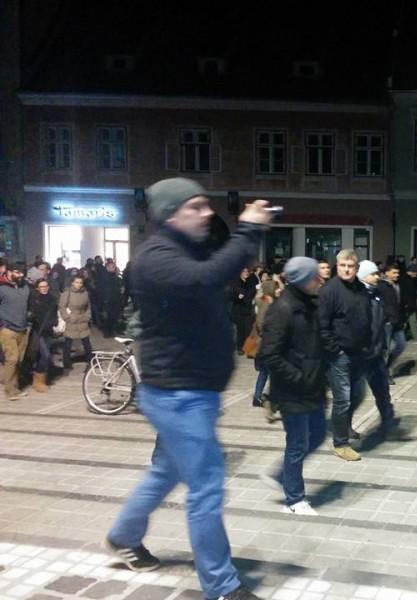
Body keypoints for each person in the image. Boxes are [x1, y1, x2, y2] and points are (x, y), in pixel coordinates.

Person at [105, 177, 272, 600]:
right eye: (196, 207)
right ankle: (221, 586)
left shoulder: (180, 250)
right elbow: (206, 278)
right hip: (179, 394)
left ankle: (123, 535)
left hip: (188, 391)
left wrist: (239, 227)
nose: (206, 213)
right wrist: (248, 229)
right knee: (207, 485)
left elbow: (214, 260)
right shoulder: (156, 258)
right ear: (170, 214)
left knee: (165, 472)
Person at [258, 257, 326, 516]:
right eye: (315, 276)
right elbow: (268, 354)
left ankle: (279, 475)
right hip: (292, 390)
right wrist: (298, 377)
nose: (320, 280)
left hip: (313, 386)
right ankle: (295, 500)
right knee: (297, 443)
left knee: (318, 434)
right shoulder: (283, 309)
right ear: (302, 280)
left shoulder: (310, 304)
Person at [318, 249, 372, 462]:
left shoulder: (360, 288)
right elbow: (322, 325)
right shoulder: (330, 290)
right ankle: (340, 444)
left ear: (356, 268)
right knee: (343, 399)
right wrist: (335, 349)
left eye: (351, 266)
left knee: (358, 395)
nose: (347, 269)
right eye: (343, 265)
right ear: (337, 266)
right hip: (339, 355)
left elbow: (365, 317)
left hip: (359, 352)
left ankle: (342, 425)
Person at [357, 261, 400, 434]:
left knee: (382, 389)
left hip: (375, 351)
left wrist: (381, 343)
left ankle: (387, 420)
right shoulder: (358, 294)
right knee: (353, 395)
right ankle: (343, 427)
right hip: (360, 353)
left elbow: (378, 321)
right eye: (373, 274)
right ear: (363, 276)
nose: (377, 276)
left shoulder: (376, 293)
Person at [0, 262, 31, 400]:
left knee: (18, 360)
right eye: (18, 272)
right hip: (7, 329)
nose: (21, 275)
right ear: (9, 271)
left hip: (23, 328)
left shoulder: (25, 286)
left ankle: (15, 387)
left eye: (22, 272)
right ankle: (10, 391)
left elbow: (30, 304)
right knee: (12, 359)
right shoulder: (2, 288)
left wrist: (29, 321)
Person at [252, 272, 278, 415]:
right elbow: (261, 323)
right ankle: (270, 400)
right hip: (267, 343)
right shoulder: (267, 304)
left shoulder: (262, 301)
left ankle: (258, 397)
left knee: (264, 372)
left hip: (264, 344)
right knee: (270, 372)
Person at [28, 278, 59, 392]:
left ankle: (40, 381)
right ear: (37, 288)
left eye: (46, 286)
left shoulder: (52, 299)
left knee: (43, 355)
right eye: (42, 286)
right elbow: (31, 314)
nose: (44, 288)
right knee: (46, 355)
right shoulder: (34, 300)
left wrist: (55, 321)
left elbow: (54, 313)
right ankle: (38, 379)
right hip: (38, 331)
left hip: (48, 331)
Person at [378, 264, 407, 383]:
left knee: (401, 345)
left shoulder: (396, 285)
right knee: (385, 349)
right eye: (394, 273)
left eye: (398, 273)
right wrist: (386, 319)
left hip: (397, 321)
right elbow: (380, 305)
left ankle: (385, 368)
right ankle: (384, 374)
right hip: (387, 323)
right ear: (387, 273)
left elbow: (398, 304)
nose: (397, 275)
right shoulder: (382, 286)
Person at [59, 275, 93, 373]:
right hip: (72, 320)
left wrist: (87, 317)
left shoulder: (85, 293)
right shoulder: (67, 293)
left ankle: (90, 362)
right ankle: (66, 365)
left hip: (82, 320)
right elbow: (62, 307)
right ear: (72, 283)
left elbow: (88, 307)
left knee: (86, 342)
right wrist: (67, 318)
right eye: (77, 282)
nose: (79, 285)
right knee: (68, 343)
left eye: (80, 283)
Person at [229, 267, 257, 355]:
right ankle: (240, 348)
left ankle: (249, 349)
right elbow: (229, 296)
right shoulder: (235, 283)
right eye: (244, 271)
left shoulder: (251, 282)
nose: (246, 273)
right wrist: (237, 297)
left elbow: (253, 293)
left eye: (247, 271)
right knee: (240, 330)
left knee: (249, 330)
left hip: (248, 309)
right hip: (239, 309)